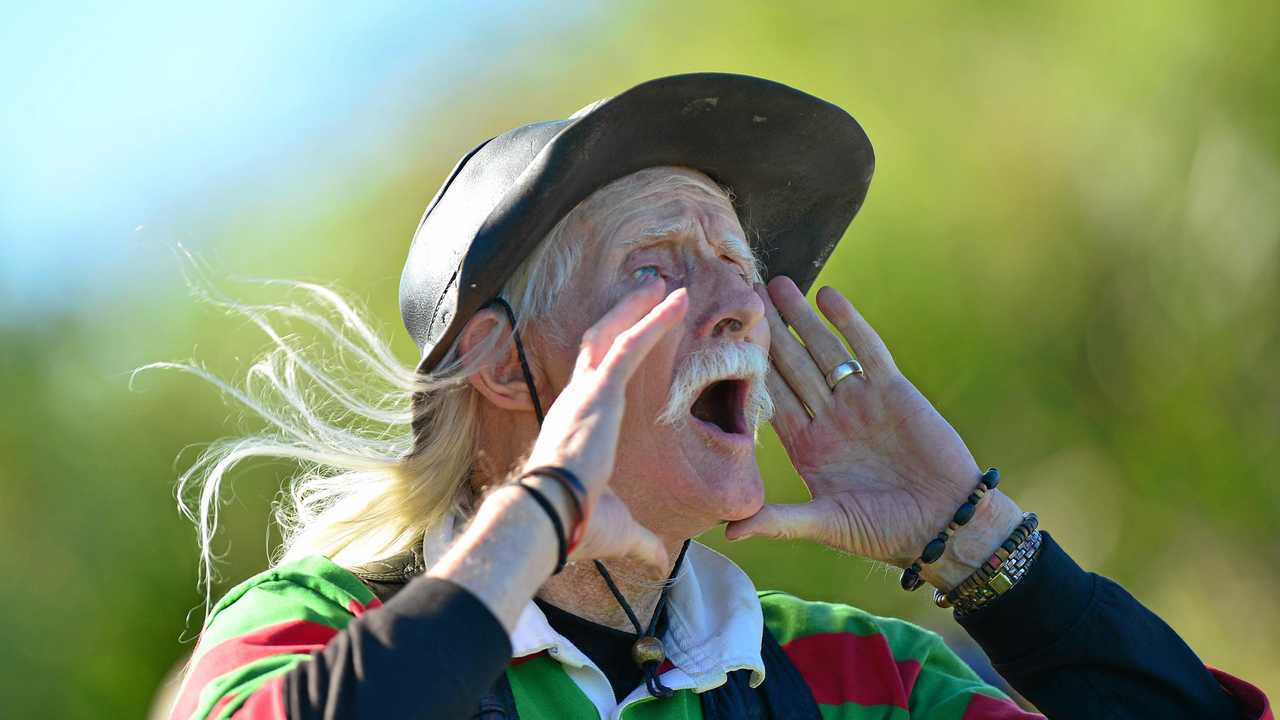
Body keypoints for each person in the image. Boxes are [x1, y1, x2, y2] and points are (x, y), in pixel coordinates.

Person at [163, 74, 1271, 719]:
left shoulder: (854, 679)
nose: (740, 305)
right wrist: (540, 515)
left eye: (738, 263)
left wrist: (976, 544)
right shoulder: (316, 630)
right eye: (656, 265)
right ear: (503, 368)